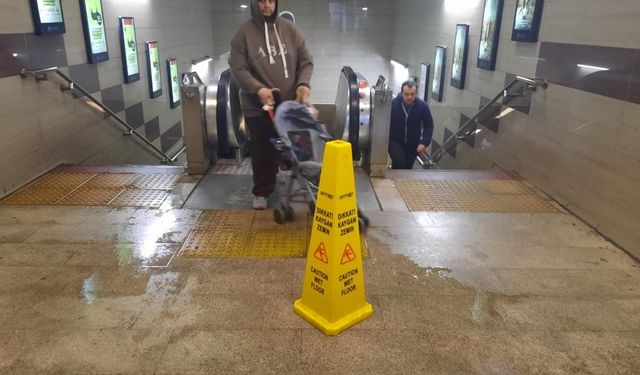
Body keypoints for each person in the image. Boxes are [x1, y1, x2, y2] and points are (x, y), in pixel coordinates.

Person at [229, 0, 313, 209]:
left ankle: (305, 185)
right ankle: (262, 191)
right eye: (261, 1)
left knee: (297, 144)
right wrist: (258, 89)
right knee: (263, 149)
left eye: (271, 1)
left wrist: (303, 85)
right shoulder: (243, 33)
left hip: (289, 103)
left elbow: (306, 61)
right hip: (258, 105)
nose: (266, 6)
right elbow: (238, 68)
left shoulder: (290, 30)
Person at [388, 81, 434, 169]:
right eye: (406, 94)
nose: (409, 97)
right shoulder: (393, 105)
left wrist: (424, 142)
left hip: (413, 143)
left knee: (407, 166)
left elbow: (429, 125)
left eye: (412, 94)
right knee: (399, 162)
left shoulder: (422, 107)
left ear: (416, 93)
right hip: (395, 141)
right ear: (401, 93)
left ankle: (398, 182)